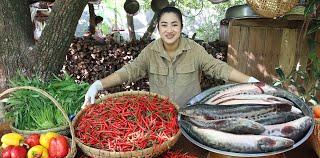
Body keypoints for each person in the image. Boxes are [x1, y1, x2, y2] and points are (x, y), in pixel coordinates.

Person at [82, 6, 259, 108]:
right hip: (160, 116)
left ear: (181, 26)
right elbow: (130, 71)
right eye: (164, 25)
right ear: (158, 27)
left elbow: (218, 67)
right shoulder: (150, 51)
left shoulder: (194, 50)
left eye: (174, 24)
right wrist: (99, 84)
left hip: (190, 114)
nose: (169, 30)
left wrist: (249, 80)